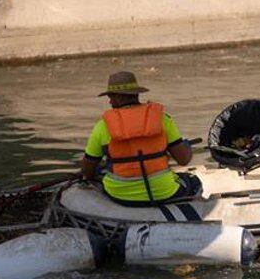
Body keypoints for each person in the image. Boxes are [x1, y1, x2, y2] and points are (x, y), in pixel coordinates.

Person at [79, 70, 198, 205]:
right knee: (193, 181)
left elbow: (87, 171)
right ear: (136, 93)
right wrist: (186, 146)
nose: (110, 101)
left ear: (119, 97)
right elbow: (184, 160)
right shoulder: (163, 119)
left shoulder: (102, 126)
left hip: (120, 196)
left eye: (111, 96)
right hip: (164, 193)